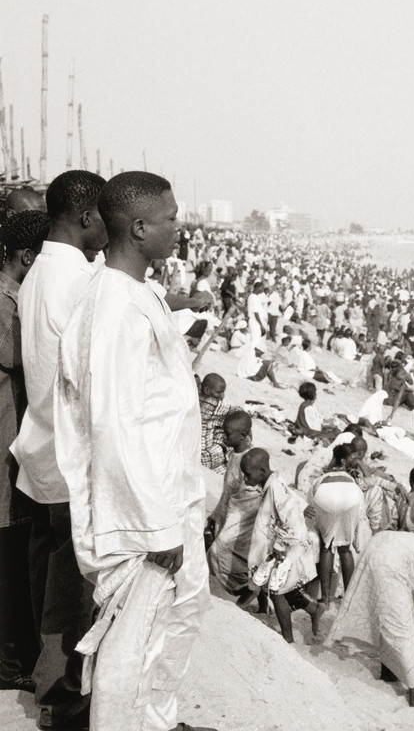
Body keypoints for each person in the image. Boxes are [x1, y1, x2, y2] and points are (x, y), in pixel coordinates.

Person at [53, 170, 217, 731]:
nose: (180, 226)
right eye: (172, 217)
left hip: (171, 497)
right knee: (135, 639)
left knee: (177, 619)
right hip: (146, 514)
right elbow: (112, 425)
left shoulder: (135, 291)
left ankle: (158, 721)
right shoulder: (114, 310)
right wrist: (154, 527)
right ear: (141, 227)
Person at [14, 169, 106, 730]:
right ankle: (66, 699)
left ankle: (54, 688)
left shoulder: (41, 273)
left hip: (44, 448)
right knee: (73, 588)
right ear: (86, 217)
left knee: (50, 576)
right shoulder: (74, 280)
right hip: (70, 454)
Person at [0, 209, 50, 692]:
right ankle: (10, 666)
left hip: (9, 443)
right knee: (9, 563)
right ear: (26, 257)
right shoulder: (4, 299)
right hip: (3, 447)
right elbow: (16, 357)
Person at [324, 530, 414, 708]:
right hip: (390, 560)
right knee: (402, 628)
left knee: (386, 617)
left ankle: (388, 671)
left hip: (378, 542)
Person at [242, 448, 324, 643]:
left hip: (284, 549)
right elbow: (292, 500)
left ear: (261, 471)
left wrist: (280, 545)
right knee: (282, 588)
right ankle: (313, 609)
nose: (245, 479)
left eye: (247, 475)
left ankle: (287, 638)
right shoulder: (274, 483)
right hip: (277, 547)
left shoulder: (275, 488)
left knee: (276, 592)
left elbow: (290, 516)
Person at [206, 411, 261, 598]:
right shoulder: (234, 454)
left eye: (227, 434)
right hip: (228, 512)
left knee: (219, 549)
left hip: (244, 516)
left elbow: (270, 482)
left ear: (243, 435)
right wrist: (217, 513)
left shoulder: (251, 458)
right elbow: (228, 489)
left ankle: (245, 590)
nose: (223, 437)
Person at [309, 443, 365, 604]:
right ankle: (348, 597)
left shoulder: (322, 477)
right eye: (353, 457)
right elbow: (361, 503)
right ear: (344, 460)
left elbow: (311, 501)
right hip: (350, 496)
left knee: (327, 546)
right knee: (345, 549)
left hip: (325, 494)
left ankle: (325, 597)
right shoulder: (352, 478)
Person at [197, 372, 230, 472]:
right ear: (207, 390)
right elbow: (234, 411)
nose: (223, 396)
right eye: (219, 392)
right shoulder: (212, 404)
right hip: (203, 450)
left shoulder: (196, 398)